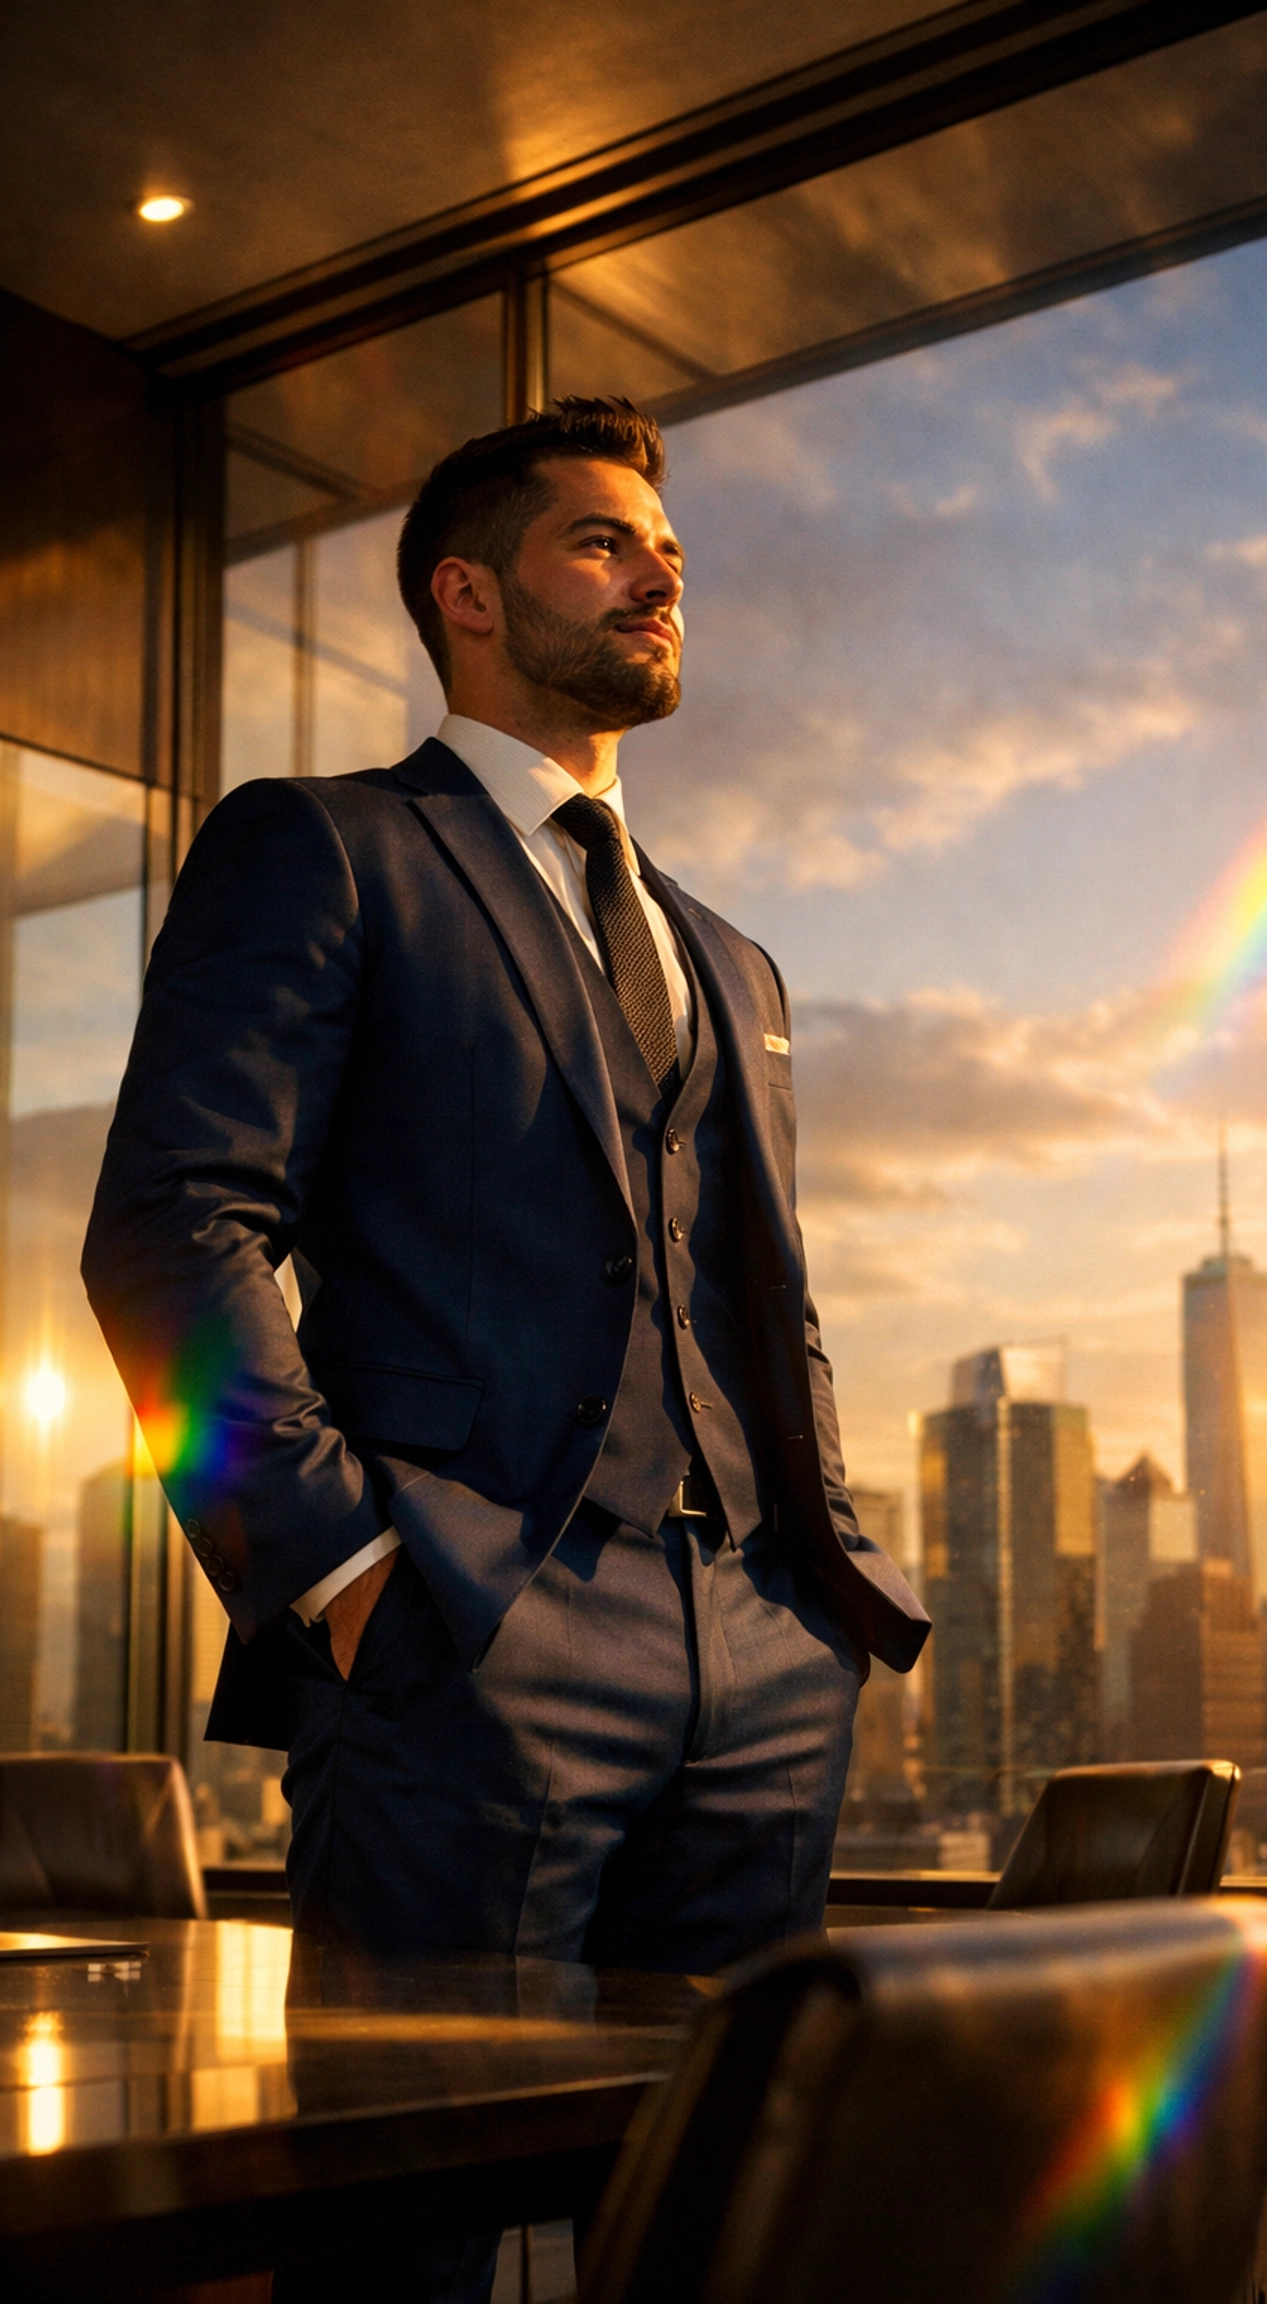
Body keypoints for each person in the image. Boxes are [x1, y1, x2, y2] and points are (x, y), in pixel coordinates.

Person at [83, 394, 927, 1977]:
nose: (660, 580)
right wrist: (345, 1576)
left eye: (670, 554)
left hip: (766, 1656)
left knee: (727, 2132)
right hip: (464, 1637)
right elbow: (172, 1227)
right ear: (466, 594)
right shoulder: (328, 847)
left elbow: (769, 1294)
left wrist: (820, 1589)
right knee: (431, 2137)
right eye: (603, 545)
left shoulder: (731, 960)